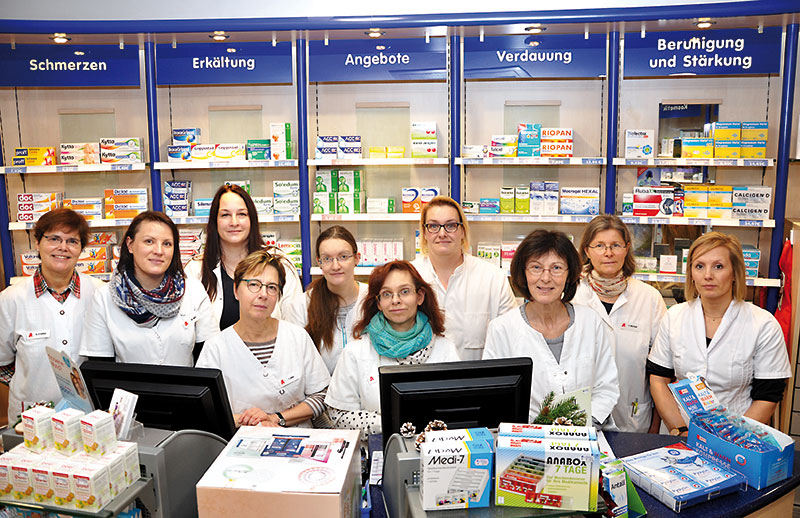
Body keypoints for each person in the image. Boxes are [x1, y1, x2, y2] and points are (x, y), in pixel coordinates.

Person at [648, 232, 791, 433]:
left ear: (735, 273)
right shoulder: (674, 317)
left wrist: (730, 439)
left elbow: (768, 395)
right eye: (699, 266)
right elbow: (658, 379)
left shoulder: (763, 324)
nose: (708, 275)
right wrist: (680, 429)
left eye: (718, 266)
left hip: (739, 436)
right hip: (680, 432)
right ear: (691, 273)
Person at [483, 230, 620, 427]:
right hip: (528, 441)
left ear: (570, 274)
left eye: (556, 268)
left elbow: (606, 386)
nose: (546, 278)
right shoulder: (502, 329)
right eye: (536, 267)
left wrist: (581, 427)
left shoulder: (590, 321)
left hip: (588, 436)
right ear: (523, 273)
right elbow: (496, 396)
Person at [325, 261, 460, 438]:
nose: (396, 300)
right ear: (379, 303)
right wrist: (393, 425)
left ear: (419, 297)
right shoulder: (356, 352)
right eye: (387, 294)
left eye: (404, 291)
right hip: (378, 453)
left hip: (437, 454)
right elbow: (339, 416)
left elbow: (459, 409)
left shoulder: (445, 349)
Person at [197, 250, 330, 427]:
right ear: (236, 290)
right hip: (240, 444)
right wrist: (251, 422)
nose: (263, 294)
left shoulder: (296, 337)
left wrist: (277, 418)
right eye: (254, 284)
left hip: (298, 440)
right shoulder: (216, 348)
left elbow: (322, 395)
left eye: (272, 287)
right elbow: (204, 409)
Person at [0, 208, 102, 422]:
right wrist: (28, 385)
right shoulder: (11, 299)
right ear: (38, 243)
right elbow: (3, 362)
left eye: (72, 241)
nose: (62, 248)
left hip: (88, 416)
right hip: (31, 417)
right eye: (54, 238)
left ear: (81, 249)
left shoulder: (98, 293)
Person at [80, 211, 217, 365]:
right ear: (130, 245)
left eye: (167, 243)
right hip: (125, 389)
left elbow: (208, 356)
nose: (159, 251)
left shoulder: (193, 290)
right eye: (149, 241)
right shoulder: (104, 298)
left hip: (186, 388)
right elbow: (101, 366)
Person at [573, 215, 667, 433]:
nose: (608, 253)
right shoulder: (572, 295)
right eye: (599, 246)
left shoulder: (649, 298)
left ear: (626, 249)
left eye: (615, 245)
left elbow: (662, 370)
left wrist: (654, 427)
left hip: (634, 418)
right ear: (587, 251)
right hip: (579, 420)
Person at [184, 184, 305, 330]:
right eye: (225, 215)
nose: (234, 222)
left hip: (272, 352)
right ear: (214, 222)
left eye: (241, 214)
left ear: (251, 219)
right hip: (214, 353)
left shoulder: (278, 263)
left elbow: (296, 325)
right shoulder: (196, 269)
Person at [411, 196, 517, 360]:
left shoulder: (493, 278)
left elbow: (511, 339)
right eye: (433, 226)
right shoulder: (408, 276)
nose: (442, 233)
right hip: (422, 381)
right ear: (424, 233)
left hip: (477, 381)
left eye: (451, 225)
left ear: (462, 231)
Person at [303, 226, 368, 374]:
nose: (335, 266)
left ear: (357, 258)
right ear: (319, 263)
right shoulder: (302, 304)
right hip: (321, 392)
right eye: (327, 259)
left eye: (343, 257)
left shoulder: (372, 298)